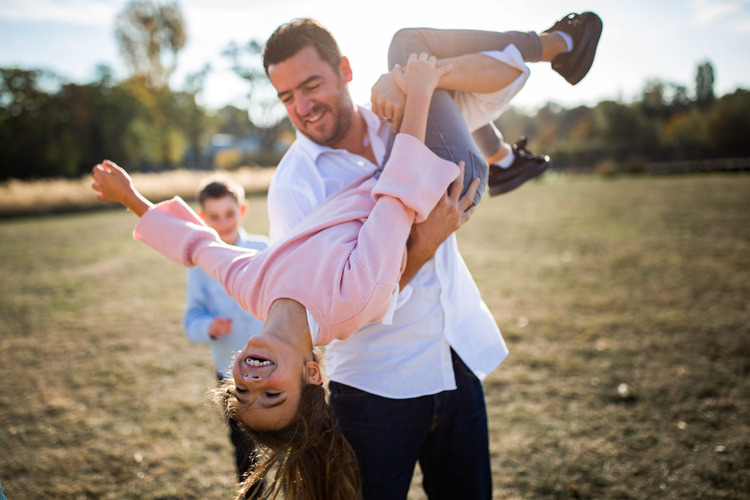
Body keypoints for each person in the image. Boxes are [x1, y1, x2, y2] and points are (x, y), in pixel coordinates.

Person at [92, 52, 475, 500]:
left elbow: (199, 246)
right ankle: (539, 79)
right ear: (312, 373)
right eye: (272, 396)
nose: (254, 386)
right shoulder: (350, 298)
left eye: (242, 393)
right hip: (439, 175)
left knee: (438, 74)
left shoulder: (253, 288)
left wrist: (130, 197)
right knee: (414, 47)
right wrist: (422, 90)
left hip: (394, 163)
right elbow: (397, 191)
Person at [263, 13, 602, 499]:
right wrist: (422, 248)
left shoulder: (398, 102)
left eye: (311, 85)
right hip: (375, 388)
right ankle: (556, 53)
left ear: (345, 69)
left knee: (409, 47)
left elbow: (510, 74)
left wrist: (417, 79)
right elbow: (330, 309)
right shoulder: (294, 187)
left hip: (454, 357)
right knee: (407, 41)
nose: (302, 107)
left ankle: (537, 88)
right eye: (286, 97)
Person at [183, 175, 269, 482]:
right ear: (203, 218)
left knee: (288, 443)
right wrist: (208, 325)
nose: (224, 222)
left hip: (274, 368)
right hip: (231, 374)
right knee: (246, 451)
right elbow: (190, 320)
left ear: (242, 210)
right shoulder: (199, 264)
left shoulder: (264, 249)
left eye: (230, 214)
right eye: (215, 217)